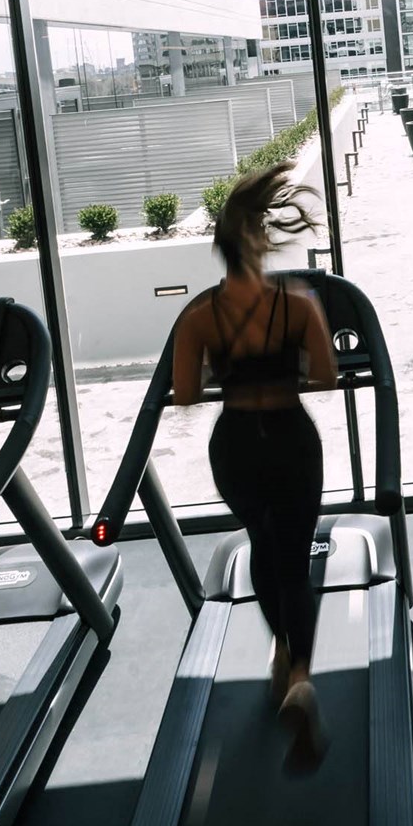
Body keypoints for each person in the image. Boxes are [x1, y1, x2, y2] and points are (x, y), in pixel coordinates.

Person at [172, 162, 338, 772]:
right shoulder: (297, 305)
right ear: (262, 242)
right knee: (294, 560)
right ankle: (301, 676)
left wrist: (223, 368)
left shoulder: (199, 316)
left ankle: (280, 655)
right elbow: (326, 376)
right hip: (292, 438)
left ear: (221, 247)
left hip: (237, 445)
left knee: (263, 546)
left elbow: (186, 392)